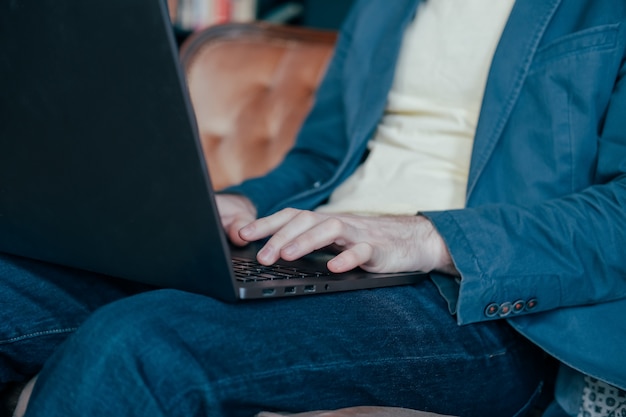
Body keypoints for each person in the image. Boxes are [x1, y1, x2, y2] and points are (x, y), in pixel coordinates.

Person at [2, 0, 626, 416]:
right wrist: (237, 203)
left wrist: (423, 235)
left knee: (142, 342)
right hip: (321, 248)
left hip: (482, 300)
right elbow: (324, 155)